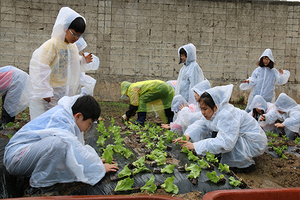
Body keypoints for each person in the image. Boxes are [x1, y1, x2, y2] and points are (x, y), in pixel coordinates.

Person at [3, 95, 119, 188]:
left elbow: (74, 151)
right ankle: (40, 184)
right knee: (59, 143)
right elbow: (73, 148)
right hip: (16, 159)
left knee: (62, 145)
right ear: (78, 116)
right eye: (88, 124)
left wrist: (93, 162)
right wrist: (97, 168)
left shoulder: (67, 117)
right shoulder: (62, 120)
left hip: (28, 154)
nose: (88, 129)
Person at [174, 84, 268, 172]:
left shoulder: (228, 115)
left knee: (226, 141)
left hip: (252, 142)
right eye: (201, 108)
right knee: (216, 136)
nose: (202, 112)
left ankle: (243, 164)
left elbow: (226, 142)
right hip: (240, 137)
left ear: (215, 106)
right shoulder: (215, 113)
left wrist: (195, 146)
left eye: (205, 109)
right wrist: (187, 135)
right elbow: (201, 124)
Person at [29, 7, 99, 120]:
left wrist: (83, 61)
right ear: (65, 28)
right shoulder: (52, 44)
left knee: (61, 118)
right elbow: (40, 66)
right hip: (51, 92)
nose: (76, 38)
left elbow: (72, 65)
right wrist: (44, 91)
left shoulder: (72, 47)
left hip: (65, 91)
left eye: (79, 35)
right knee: (49, 119)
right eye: (74, 34)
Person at [240, 48, 290, 112]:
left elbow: (279, 81)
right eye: (264, 59)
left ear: (270, 60)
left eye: (268, 59)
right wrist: (248, 81)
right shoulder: (258, 70)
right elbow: (253, 79)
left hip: (268, 97)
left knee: (266, 112)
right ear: (262, 59)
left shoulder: (273, 71)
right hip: (256, 95)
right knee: (251, 111)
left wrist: (281, 75)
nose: (266, 61)